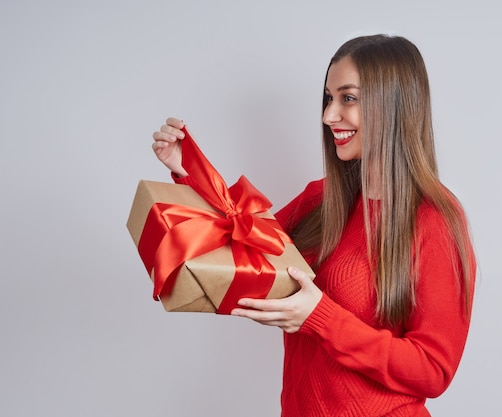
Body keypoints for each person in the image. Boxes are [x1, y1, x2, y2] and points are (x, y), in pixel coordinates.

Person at [152, 34, 476, 417]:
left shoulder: (433, 219)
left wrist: (320, 317)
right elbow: (240, 250)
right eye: (328, 98)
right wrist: (188, 171)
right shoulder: (320, 199)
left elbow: (433, 370)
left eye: (348, 98)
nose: (328, 116)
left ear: (393, 105)